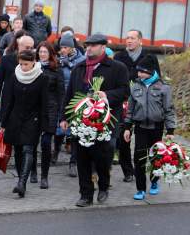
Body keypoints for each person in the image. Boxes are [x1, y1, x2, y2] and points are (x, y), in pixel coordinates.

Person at [60, 34, 129, 207]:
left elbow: (124, 91)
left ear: (103, 47)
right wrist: (64, 117)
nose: (88, 48)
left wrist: (107, 95)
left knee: (103, 157)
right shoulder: (80, 67)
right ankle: (86, 194)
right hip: (80, 121)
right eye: (87, 45)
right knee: (82, 157)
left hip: (105, 121)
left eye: (92, 45)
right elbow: (69, 94)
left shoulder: (117, 67)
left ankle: (103, 186)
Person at [123, 54, 176, 200]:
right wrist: (127, 127)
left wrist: (170, 130)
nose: (138, 74)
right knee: (139, 158)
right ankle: (140, 189)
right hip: (140, 128)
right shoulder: (135, 87)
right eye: (138, 71)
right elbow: (130, 109)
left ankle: (154, 182)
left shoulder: (163, 88)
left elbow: (169, 110)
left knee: (155, 158)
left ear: (151, 71)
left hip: (156, 128)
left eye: (142, 71)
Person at [114, 29, 161, 183]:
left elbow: (157, 80)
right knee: (123, 137)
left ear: (140, 40)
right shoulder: (119, 57)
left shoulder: (149, 57)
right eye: (127, 38)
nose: (129, 41)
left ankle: (149, 171)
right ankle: (128, 171)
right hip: (124, 102)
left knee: (146, 141)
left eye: (132, 38)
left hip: (145, 105)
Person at [1, 50, 48, 198]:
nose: (23, 67)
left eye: (26, 64)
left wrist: (44, 125)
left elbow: (44, 103)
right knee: (18, 150)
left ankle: (21, 183)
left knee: (28, 149)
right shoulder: (15, 75)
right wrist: (4, 121)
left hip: (32, 119)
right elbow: (9, 100)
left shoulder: (42, 77)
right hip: (15, 118)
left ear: (33, 62)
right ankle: (22, 181)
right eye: (20, 64)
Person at [54, 31, 86, 178]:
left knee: (74, 132)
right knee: (59, 128)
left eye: (65, 47)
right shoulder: (58, 60)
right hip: (60, 98)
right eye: (62, 48)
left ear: (72, 47)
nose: (63, 50)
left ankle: (73, 162)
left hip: (76, 99)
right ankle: (55, 152)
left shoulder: (81, 60)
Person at [34, 41, 65, 189]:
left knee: (46, 143)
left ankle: (44, 176)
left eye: (45, 52)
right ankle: (32, 170)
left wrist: (62, 114)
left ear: (50, 54)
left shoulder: (56, 69)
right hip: (34, 109)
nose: (42, 54)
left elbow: (61, 93)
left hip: (50, 110)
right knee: (32, 143)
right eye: (40, 52)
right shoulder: (33, 67)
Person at [0, 35, 35, 123]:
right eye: (27, 47)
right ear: (19, 46)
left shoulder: (35, 63)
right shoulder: (6, 59)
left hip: (27, 100)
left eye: (31, 48)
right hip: (8, 98)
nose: (29, 50)